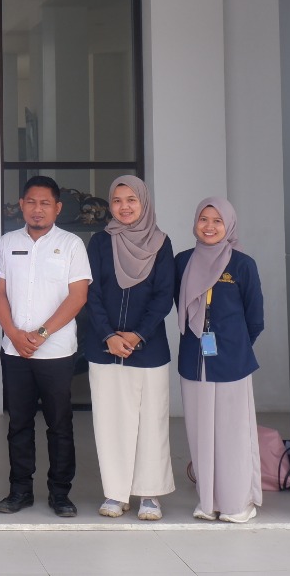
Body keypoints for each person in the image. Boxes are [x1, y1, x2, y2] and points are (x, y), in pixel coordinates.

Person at [0, 175, 90, 517]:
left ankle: (60, 494)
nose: (38, 209)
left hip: (57, 352)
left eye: (45, 203)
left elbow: (78, 296)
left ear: (57, 208)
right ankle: (20, 491)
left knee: (59, 424)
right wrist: (14, 333)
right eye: (31, 202)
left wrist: (42, 333)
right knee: (18, 424)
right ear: (21, 205)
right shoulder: (6, 243)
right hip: (14, 350)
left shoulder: (72, 245)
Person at [84, 175, 177, 521]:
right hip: (104, 348)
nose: (124, 207)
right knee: (110, 422)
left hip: (148, 350)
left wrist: (138, 334)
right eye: (117, 200)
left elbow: (164, 295)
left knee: (151, 421)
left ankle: (149, 493)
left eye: (131, 200)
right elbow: (91, 292)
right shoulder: (99, 242)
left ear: (144, 203)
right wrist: (108, 335)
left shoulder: (161, 243)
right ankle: (115, 492)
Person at [175, 197, 265, 523]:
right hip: (193, 360)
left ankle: (237, 503)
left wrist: (233, 345)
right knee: (200, 433)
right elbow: (178, 304)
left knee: (232, 433)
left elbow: (255, 318)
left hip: (232, 362)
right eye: (204, 219)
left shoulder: (242, 264)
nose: (209, 227)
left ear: (229, 225)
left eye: (217, 221)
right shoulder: (183, 261)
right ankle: (208, 501)